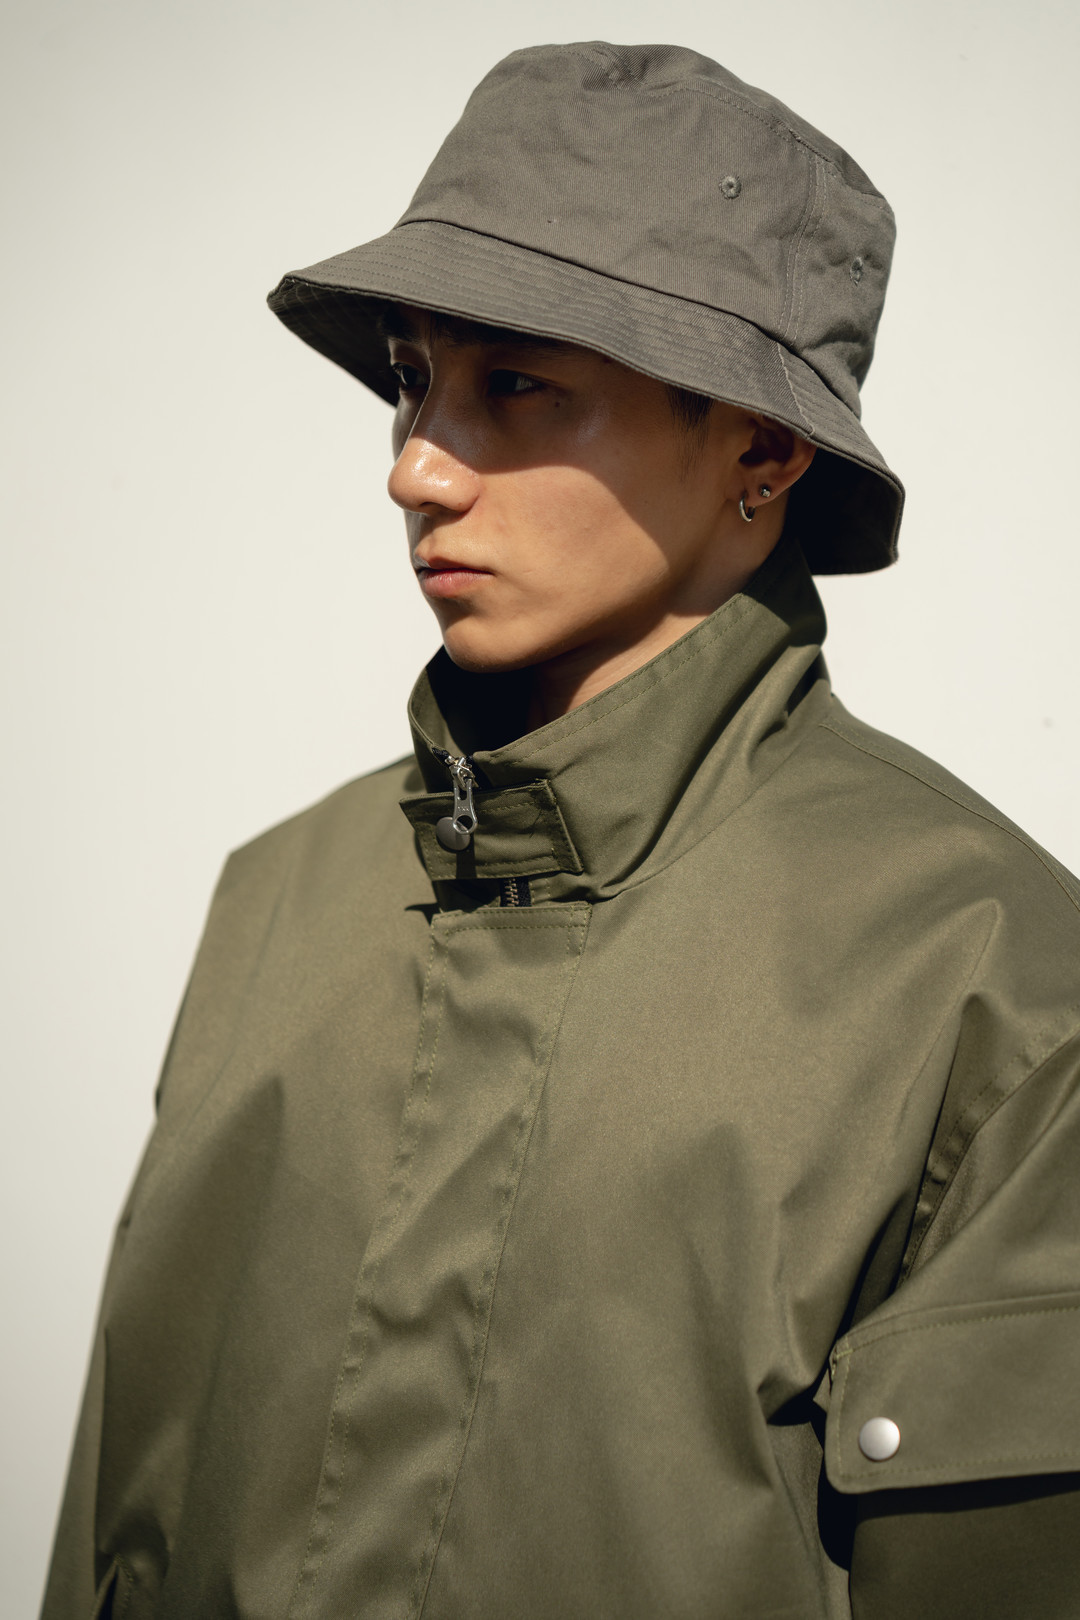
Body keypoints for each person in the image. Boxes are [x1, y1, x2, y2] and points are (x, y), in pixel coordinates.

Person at [43, 41, 1080, 1620]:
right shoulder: (276, 905)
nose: (415, 468)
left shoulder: (996, 993)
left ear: (761, 449)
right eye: (412, 378)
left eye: (517, 385)